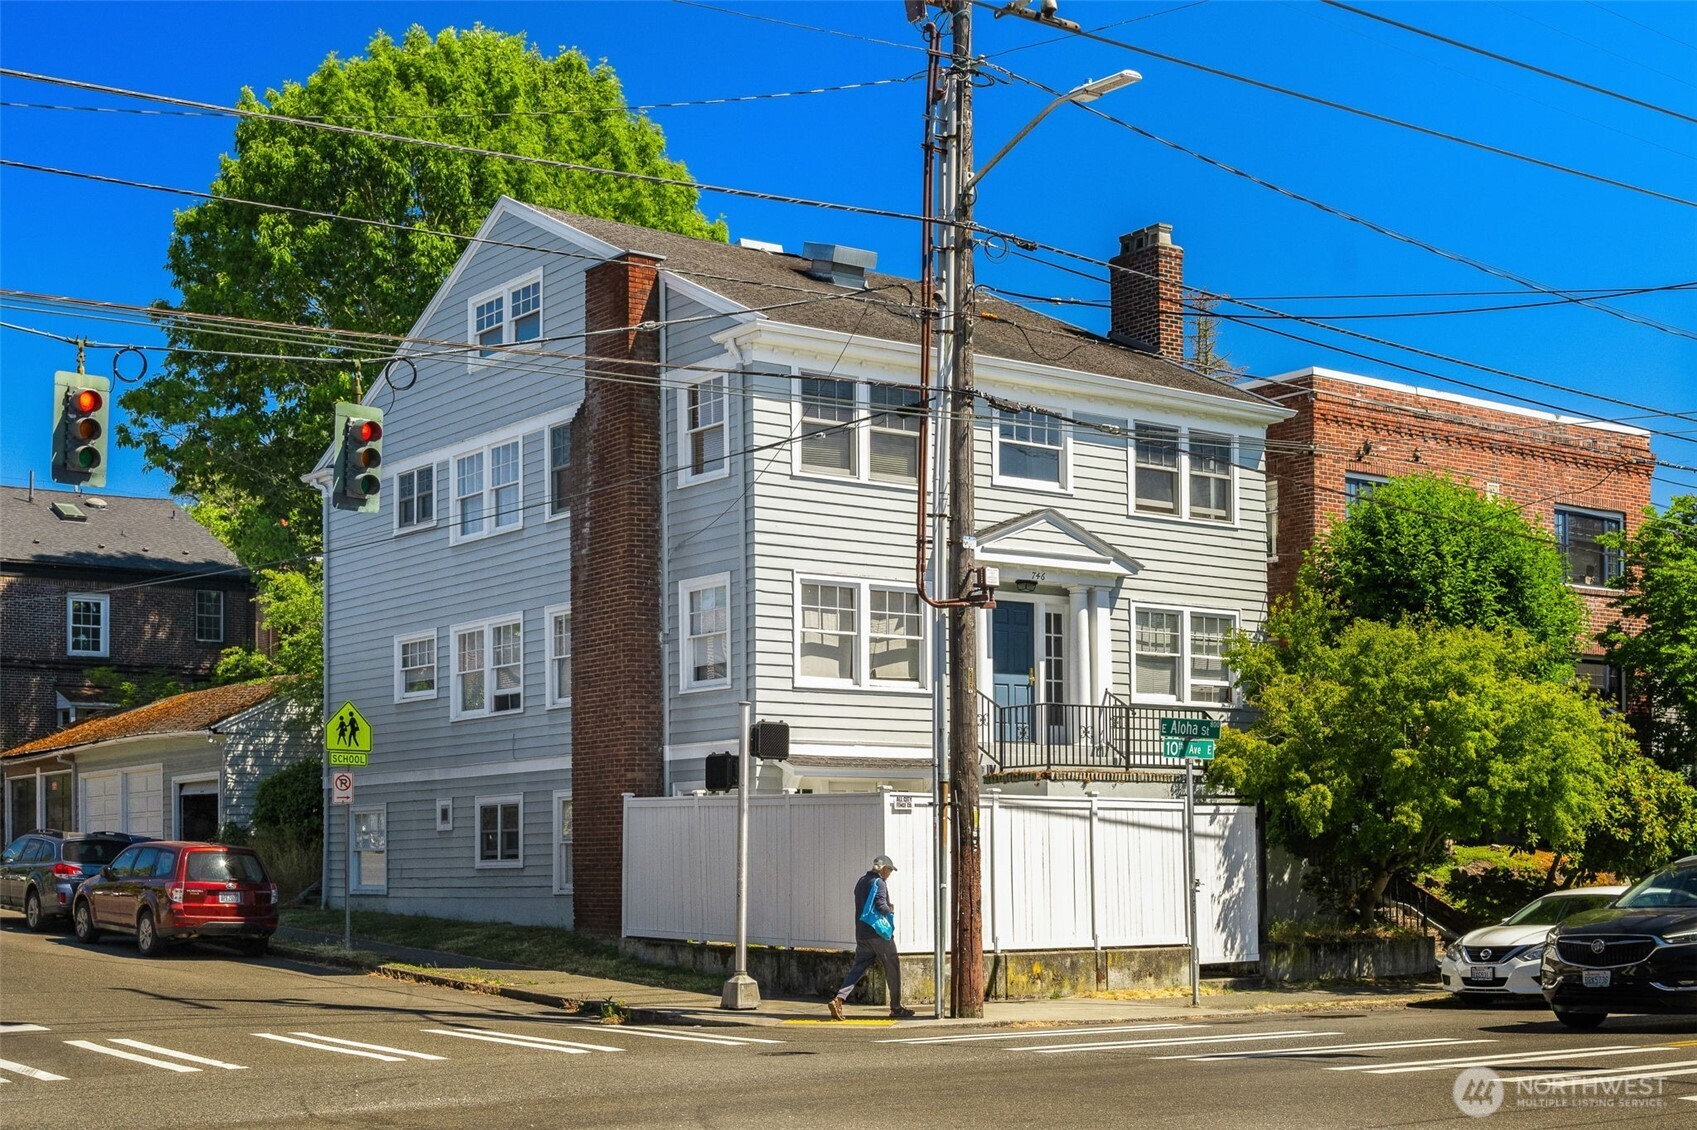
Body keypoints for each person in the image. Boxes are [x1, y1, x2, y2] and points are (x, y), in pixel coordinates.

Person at [828, 854, 916, 1020]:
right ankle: (896, 1008)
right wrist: (891, 909)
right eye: (889, 870)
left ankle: (838, 999)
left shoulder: (861, 881)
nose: (889, 874)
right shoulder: (879, 882)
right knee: (893, 967)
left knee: (858, 968)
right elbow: (881, 906)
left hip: (862, 933)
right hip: (879, 934)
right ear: (883, 869)